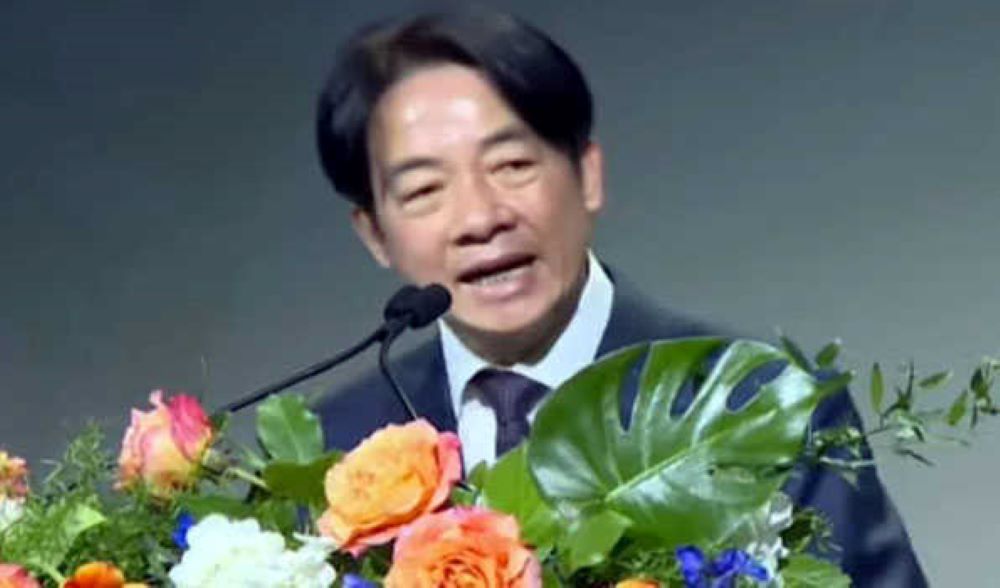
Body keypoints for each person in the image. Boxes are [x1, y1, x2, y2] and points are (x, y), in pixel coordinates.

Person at [311, 9, 926, 586]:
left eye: (512, 165)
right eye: (424, 190)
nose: (480, 217)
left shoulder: (755, 401)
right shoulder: (330, 455)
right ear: (375, 234)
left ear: (588, 174)